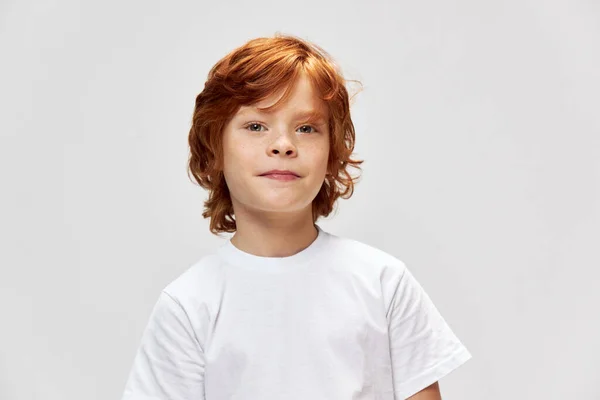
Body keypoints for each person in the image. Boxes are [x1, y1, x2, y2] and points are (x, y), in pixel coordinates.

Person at [120, 33, 472, 400]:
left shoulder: (383, 283)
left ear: (332, 153)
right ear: (215, 150)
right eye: (256, 126)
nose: (284, 144)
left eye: (306, 128)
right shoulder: (189, 304)